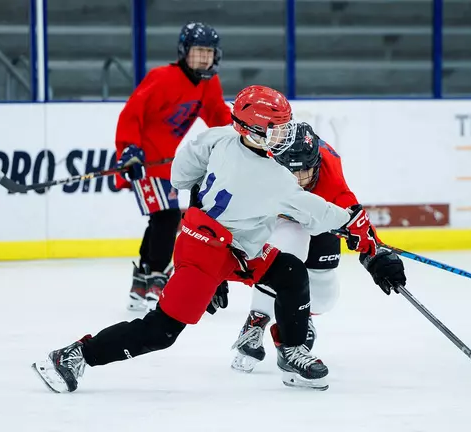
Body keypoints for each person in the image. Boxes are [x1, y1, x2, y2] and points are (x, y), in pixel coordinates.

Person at [31, 85, 383, 393]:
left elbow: (181, 176)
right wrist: (358, 229)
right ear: (251, 130)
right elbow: (322, 215)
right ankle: (75, 355)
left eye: (285, 126)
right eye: (276, 129)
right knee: (161, 331)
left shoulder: (218, 137)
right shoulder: (273, 179)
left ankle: (291, 351)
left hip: (232, 244)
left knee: (290, 272)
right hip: (206, 253)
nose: (284, 136)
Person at [230, 122, 407, 373]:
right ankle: (257, 320)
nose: (300, 180)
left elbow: (356, 221)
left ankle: (304, 316)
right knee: (288, 252)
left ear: (317, 163)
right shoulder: (260, 164)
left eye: (306, 170)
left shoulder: (330, 175)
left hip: (317, 214)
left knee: (324, 297)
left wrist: (376, 254)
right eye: (292, 172)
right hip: (277, 218)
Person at [114, 22, 232, 312]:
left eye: (209, 52)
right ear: (184, 52)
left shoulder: (209, 83)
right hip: (143, 161)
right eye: (198, 51)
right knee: (167, 218)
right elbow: (132, 112)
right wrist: (129, 149)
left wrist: (239, 137)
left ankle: (142, 280)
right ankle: (157, 276)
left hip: (166, 165)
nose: (204, 58)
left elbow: (218, 115)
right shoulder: (162, 77)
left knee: (161, 218)